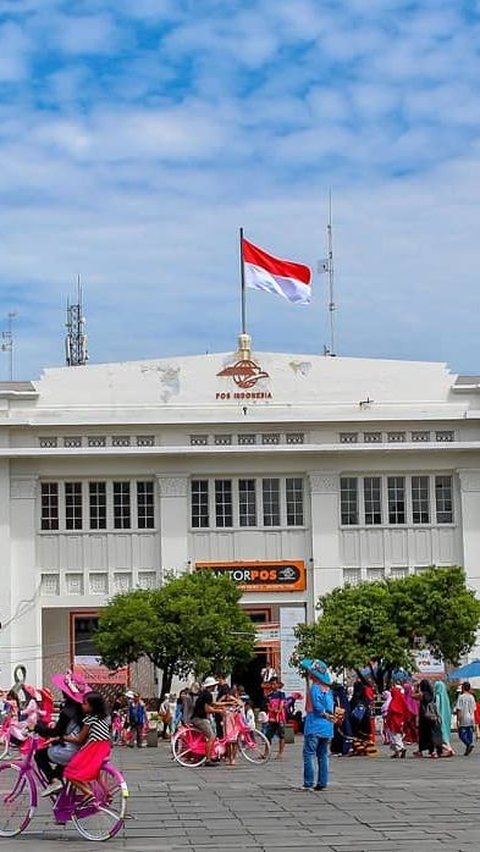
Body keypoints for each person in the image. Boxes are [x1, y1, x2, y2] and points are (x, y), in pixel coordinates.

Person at [36, 670, 88, 797]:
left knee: (39, 756)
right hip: (81, 749)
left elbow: (56, 732)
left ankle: (54, 782)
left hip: (70, 751)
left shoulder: (68, 711)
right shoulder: (82, 708)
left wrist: (37, 727)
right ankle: (60, 788)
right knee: (59, 767)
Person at [63, 692, 111, 804]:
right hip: (105, 746)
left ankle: (87, 793)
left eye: (85, 703)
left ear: (92, 706)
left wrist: (63, 738)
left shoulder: (89, 719)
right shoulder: (103, 718)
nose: (82, 705)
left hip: (94, 747)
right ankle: (107, 793)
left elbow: (80, 739)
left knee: (70, 772)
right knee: (97, 773)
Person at [299, 658, 334, 791]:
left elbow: (318, 707)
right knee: (323, 754)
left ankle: (308, 782)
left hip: (314, 724)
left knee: (308, 754)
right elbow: (330, 706)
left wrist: (322, 713)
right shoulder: (328, 689)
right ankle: (322, 782)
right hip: (327, 726)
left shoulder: (315, 688)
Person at [191, 676, 222, 766]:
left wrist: (227, 704)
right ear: (212, 686)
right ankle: (208, 759)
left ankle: (200, 756)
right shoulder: (208, 695)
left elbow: (213, 704)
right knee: (212, 736)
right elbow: (207, 709)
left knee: (203, 737)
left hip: (195, 718)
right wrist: (219, 711)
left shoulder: (203, 693)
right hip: (200, 719)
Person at [413, 679, 443, 758]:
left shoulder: (422, 694)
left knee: (423, 734)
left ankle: (422, 750)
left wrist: (416, 687)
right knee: (432, 733)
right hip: (432, 716)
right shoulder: (432, 694)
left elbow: (412, 696)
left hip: (424, 716)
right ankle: (433, 750)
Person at [264, 677, 287, 759]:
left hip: (279, 717)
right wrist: (271, 709)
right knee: (268, 735)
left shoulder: (281, 694)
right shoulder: (269, 695)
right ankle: (266, 752)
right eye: (271, 684)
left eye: (274, 684)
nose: (273, 686)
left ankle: (280, 753)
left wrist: (278, 710)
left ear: (278, 684)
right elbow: (268, 706)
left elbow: (282, 704)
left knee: (281, 735)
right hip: (272, 718)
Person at [386, 683, 407, 758]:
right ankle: (396, 752)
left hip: (394, 722)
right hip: (400, 721)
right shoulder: (401, 699)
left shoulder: (394, 701)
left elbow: (391, 710)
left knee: (394, 737)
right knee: (398, 736)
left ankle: (401, 748)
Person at [455, 681, 476, 756]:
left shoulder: (461, 697)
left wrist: (458, 719)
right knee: (469, 732)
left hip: (464, 717)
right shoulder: (472, 697)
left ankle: (468, 744)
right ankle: (469, 746)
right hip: (471, 717)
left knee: (461, 734)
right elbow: (474, 709)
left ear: (463, 688)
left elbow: (459, 709)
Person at [434, 680, 454, 756]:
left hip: (440, 719)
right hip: (446, 718)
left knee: (440, 735)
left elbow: (437, 708)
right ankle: (446, 749)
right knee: (445, 734)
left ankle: (448, 748)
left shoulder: (437, 696)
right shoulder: (446, 697)